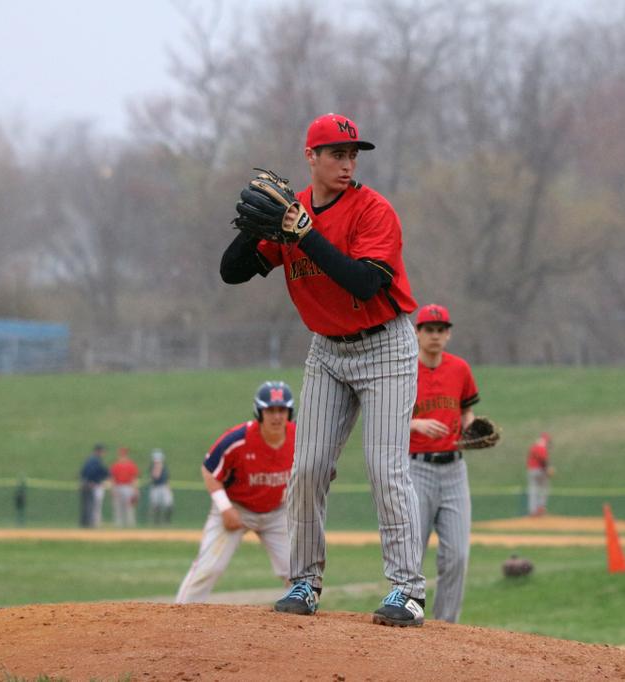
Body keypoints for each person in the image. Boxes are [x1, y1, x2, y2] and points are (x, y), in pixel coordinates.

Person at [220, 113, 425, 626]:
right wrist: (253, 230)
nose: (347, 162)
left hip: (385, 347)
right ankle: (304, 581)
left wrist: (304, 234)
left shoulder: (373, 210)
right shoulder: (296, 214)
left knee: (385, 469)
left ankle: (408, 590)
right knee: (307, 468)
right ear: (310, 157)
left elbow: (363, 283)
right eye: (336, 153)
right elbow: (231, 273)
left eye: (353, 153)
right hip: (328, 352)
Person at [175, 381, 297, 603]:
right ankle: (179, 616)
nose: (277, 416)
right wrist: (225, 507)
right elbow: (209, 470)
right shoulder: (237, 440)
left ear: (290, 412)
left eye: (282, 410)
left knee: (297, 572)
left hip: (277, 512)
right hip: (236, 507)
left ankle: (306, 626)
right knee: (209, 568)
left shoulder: (300, 439)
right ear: (259, 412)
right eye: (270, 410)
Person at [408, 303, 480, 623]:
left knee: (457, 556)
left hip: (454, 470)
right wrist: (415, 424)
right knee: (411, 553)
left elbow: (467, 410)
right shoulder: (404, 368)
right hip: (416, 468)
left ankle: (445, 627)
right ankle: (408, 613)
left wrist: (469, 426)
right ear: (417, 332)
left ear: (448, 334)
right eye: (428, 330)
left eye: (440, 330)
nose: (434, 335)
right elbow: (384, 416)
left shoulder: (460, 369)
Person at [79, 443, 109, 528]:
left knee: (87, 505)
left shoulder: (90, 459)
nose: (103, 453)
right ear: (98, 451)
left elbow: (83, 472)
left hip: (86, 483)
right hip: (91, 484)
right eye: (102, 451)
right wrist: (92, 481)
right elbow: (96, 471)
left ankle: (86, 523)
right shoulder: (95, 460)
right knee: (92, 505)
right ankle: (91, 523)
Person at [110, 446, 140, 527]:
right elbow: (113, 479)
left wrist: (135, 490)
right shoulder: (116, 465)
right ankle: (119, 524)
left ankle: (130, 524)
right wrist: (113, 489)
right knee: (118, 507)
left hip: (128, 487)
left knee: (129, 507)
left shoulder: (130, 465)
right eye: (121, 454)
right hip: (119, 486)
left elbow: (134, 479)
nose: (122, 456)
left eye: (124, 454)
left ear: (126, 455)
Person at [527, 432, 554, 516]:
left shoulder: (534, 447)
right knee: (544, 489)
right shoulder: (542, 447)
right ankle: (540, 509)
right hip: (540, 471)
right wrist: (548, 469)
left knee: (533, 490)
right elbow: (543, 460)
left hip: (531, 470)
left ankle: (533, 511)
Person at [148, 448, 174, 525]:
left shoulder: (165, 468)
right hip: (156, 487)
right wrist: (157, 467)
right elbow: (155, 477)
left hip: (164, 487)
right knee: (156, 505)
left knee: (168, 504)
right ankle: (156, 521)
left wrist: (169, 488)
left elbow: (167, 479)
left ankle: (167, 521)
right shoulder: (153, 467)